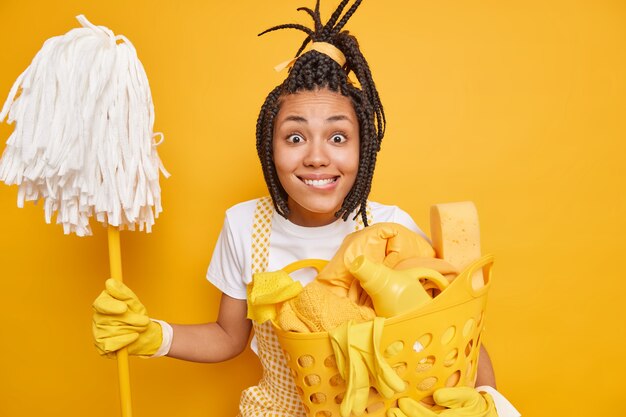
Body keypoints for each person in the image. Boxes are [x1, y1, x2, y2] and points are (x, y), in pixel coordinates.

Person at [93, 1, 518, 416]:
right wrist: (153, 335)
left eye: (337, 137)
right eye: (295, 138)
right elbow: (228, 336)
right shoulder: (244, 226)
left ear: (362, 149)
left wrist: (485, 400)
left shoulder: (392, 231)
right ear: (269, 147)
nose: (316, 157)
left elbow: (457, 336)